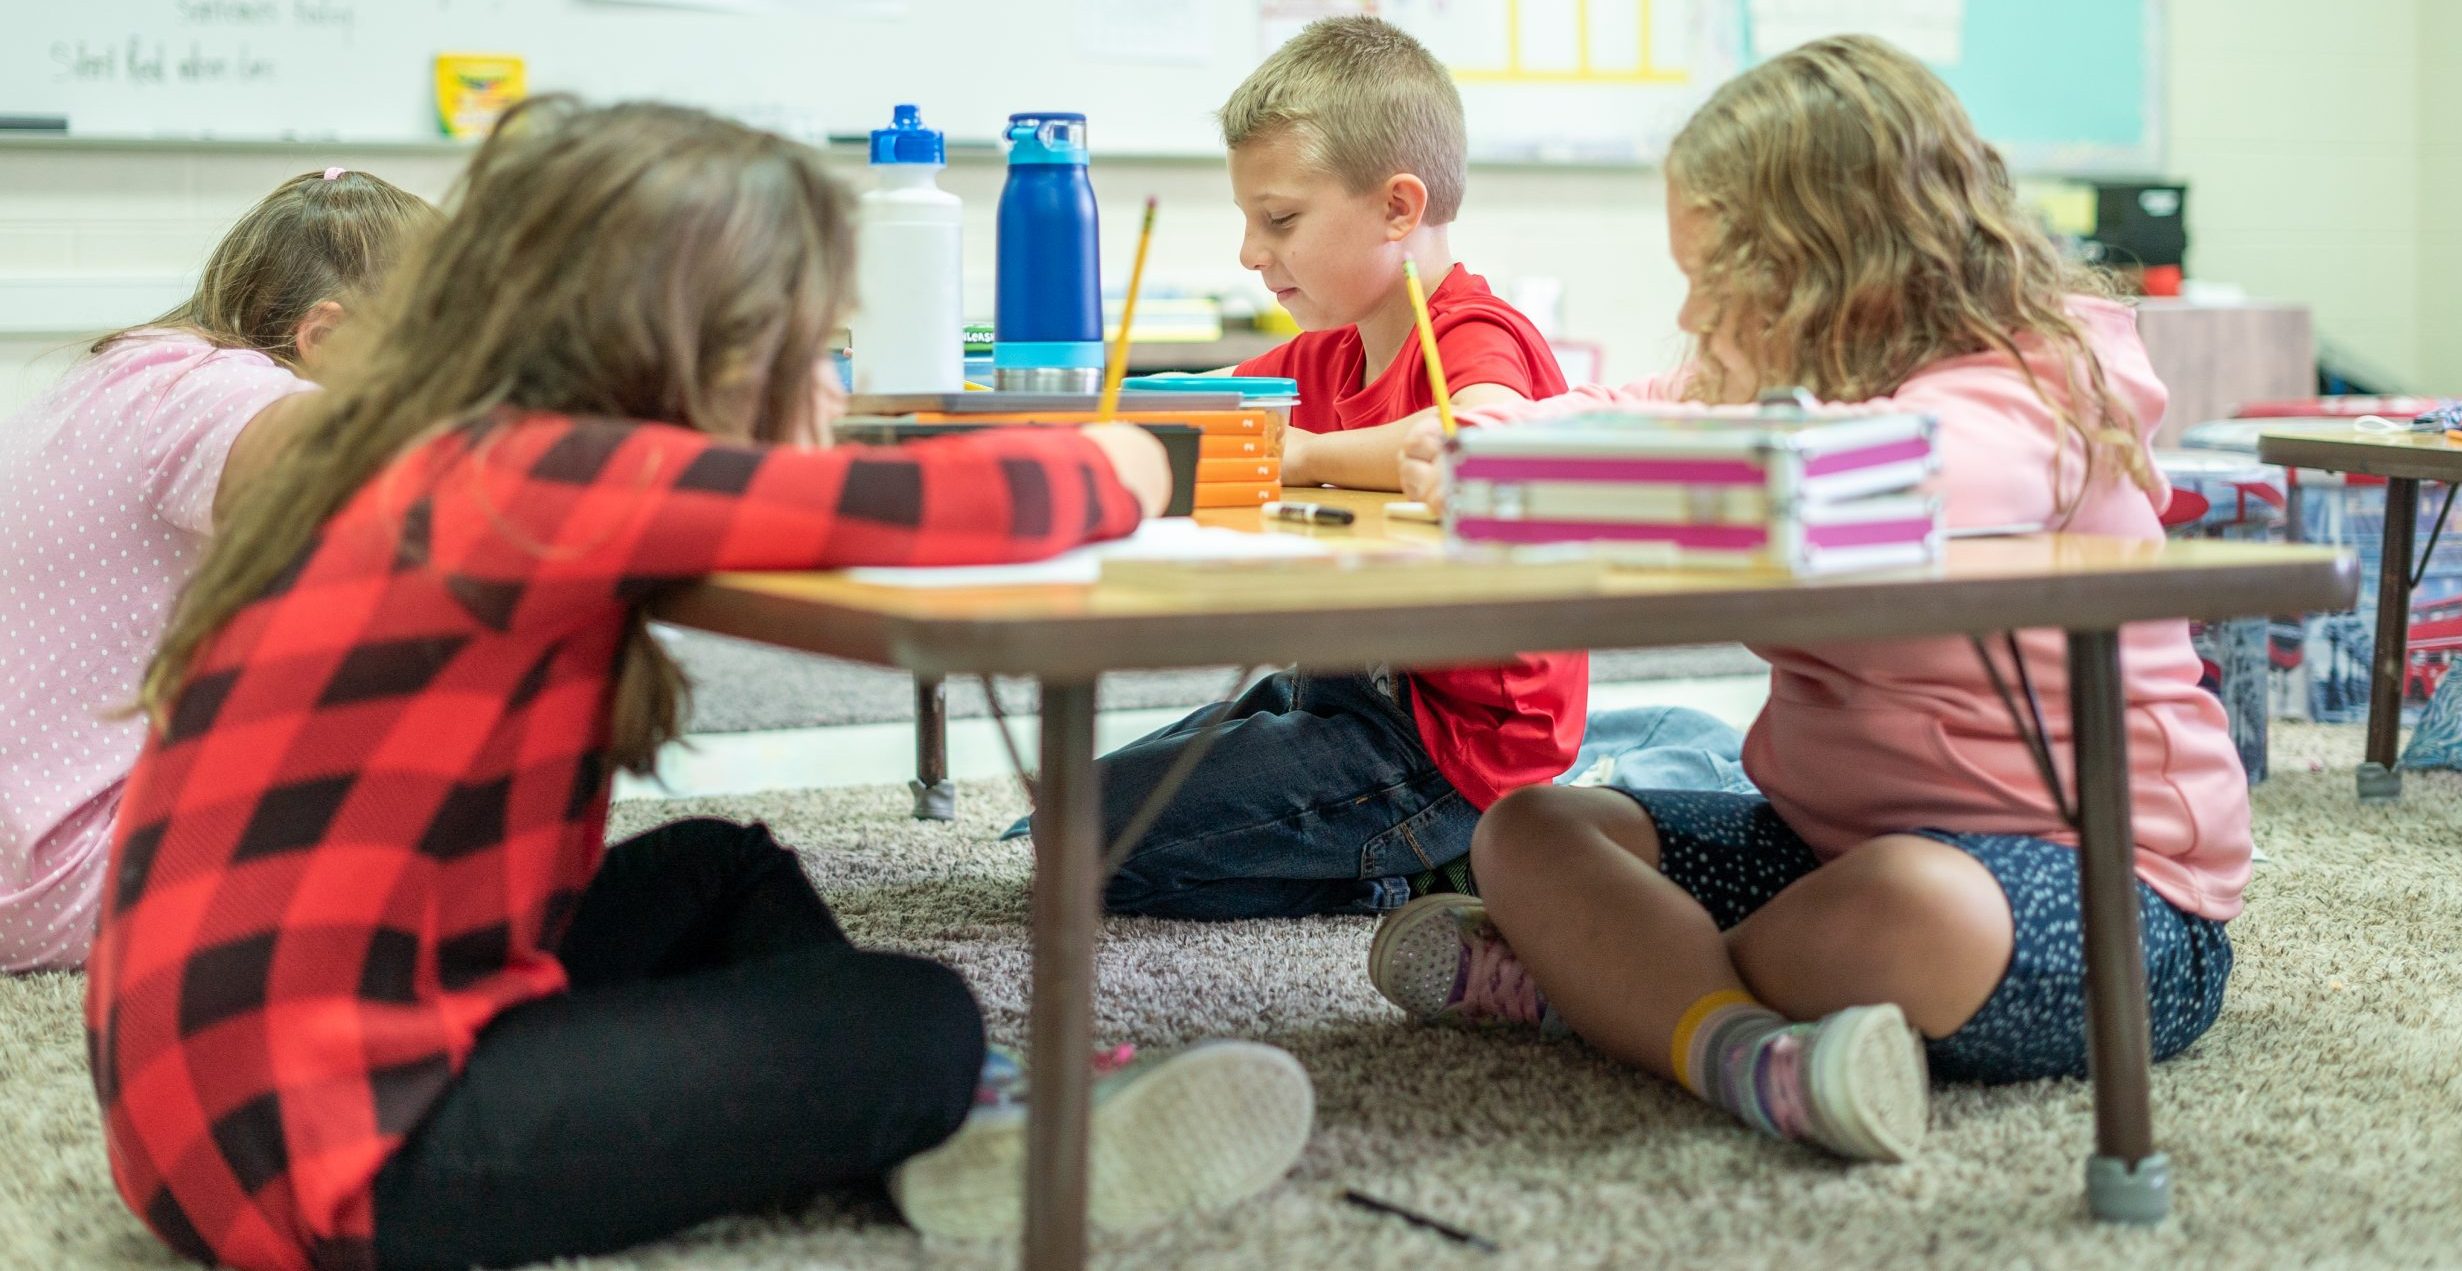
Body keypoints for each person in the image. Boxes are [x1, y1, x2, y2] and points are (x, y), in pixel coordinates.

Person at [86, 98, 1311, 1271]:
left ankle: (965, 1126)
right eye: (808, 349)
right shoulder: (553, 472)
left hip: (212, 1101)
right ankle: (966, 1110)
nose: (828, 385)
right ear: (694, 347)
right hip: (332, 1162)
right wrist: (1135, 452)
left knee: (720, 867)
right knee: (921, 1020)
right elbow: (992, 501)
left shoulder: (447, 449)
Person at [1372, 35, 2244, 1165]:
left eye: (1711, 275)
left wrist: (1564, 456)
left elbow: (1855, 467)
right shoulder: (1779, 371)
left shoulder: (2044, 381)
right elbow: (1603, 406)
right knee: (1531, 826)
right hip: (1818, 850)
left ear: (1822, 263)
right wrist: (1486, 434)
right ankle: (1732, 1045)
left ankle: (1609, 985)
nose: (1689, 314)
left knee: (1914, 897)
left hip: (2112, 896)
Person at [1012, 15, 1587, 922]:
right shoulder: (1321, 352)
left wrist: (1308, 453)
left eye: (1278, 220)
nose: (1250, 253)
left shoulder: (1480, 336)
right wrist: (1049, 403)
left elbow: (1474, 447)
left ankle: (1441, 870)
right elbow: (1191, 403)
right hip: (1341, 693)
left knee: (1090, 844)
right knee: (1055, 813)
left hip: (1454, 752)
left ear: (1399, 208)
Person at [0, 167, 437, 973]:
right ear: (328, 339)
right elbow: (357, 456)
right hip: (70, 880)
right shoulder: (216, 394)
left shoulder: (132, 371)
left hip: (23, 850)